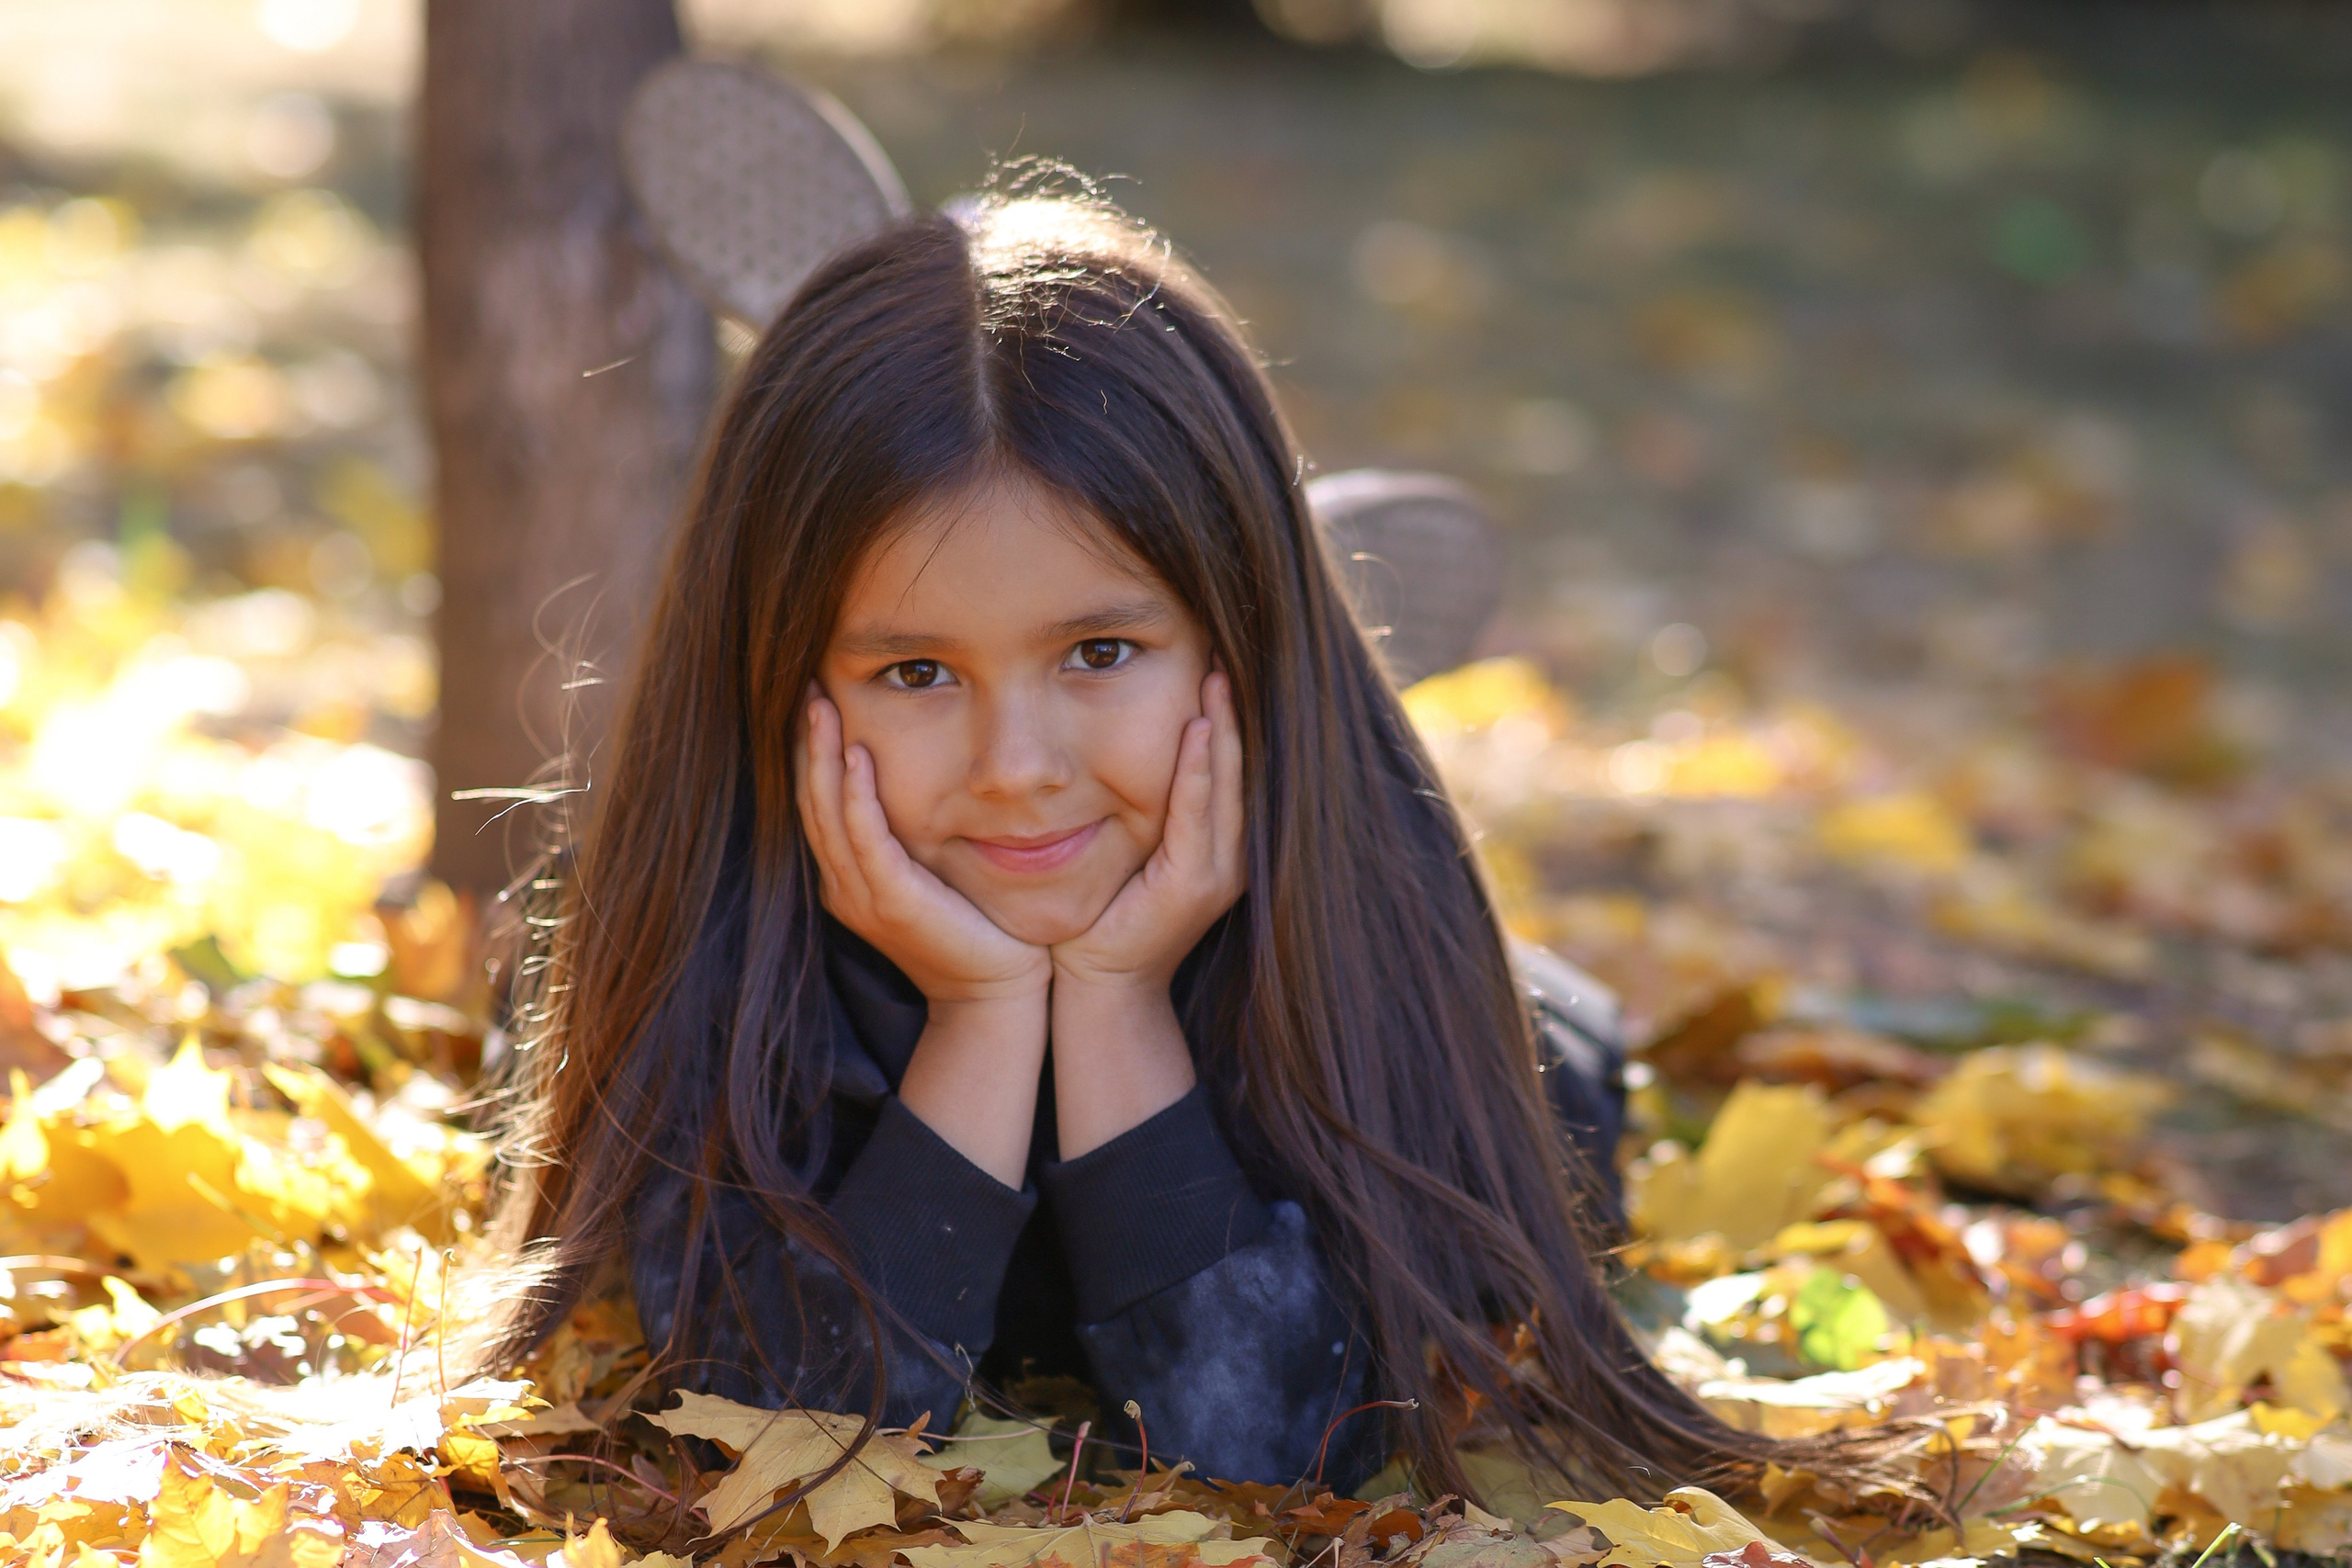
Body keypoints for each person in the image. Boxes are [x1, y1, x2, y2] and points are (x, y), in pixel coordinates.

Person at [482, 190, 1821, 1503]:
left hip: (1383, 935)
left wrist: (1119, 1004)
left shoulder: (1408, 972)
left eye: (1098, 650)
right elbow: (781, 1445)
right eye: (914, 672)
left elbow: (1285, 1452)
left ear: (1235, 648)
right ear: (775, 678)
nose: (1018, 770)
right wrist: (984, 1013)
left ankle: (1274, 614)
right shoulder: (666, 953)